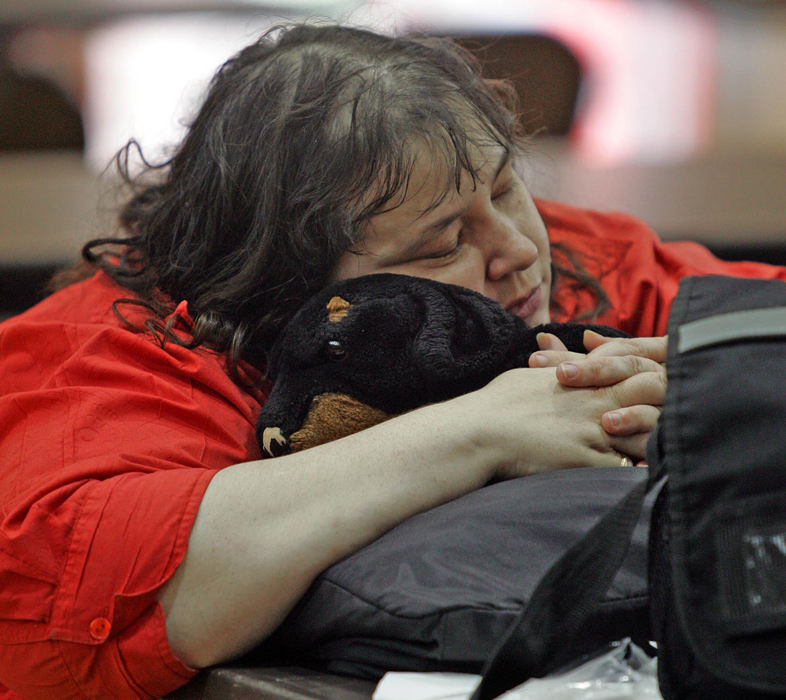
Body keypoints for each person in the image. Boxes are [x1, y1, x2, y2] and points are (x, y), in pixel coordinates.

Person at [0, 23, 783, 699]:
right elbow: (78, 615)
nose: (519, 252)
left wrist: (714, 393)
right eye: (444, 242)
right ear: (293, 284)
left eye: (509, 191)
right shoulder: (111, 360)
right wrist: (482, 429)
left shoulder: (584, 252)